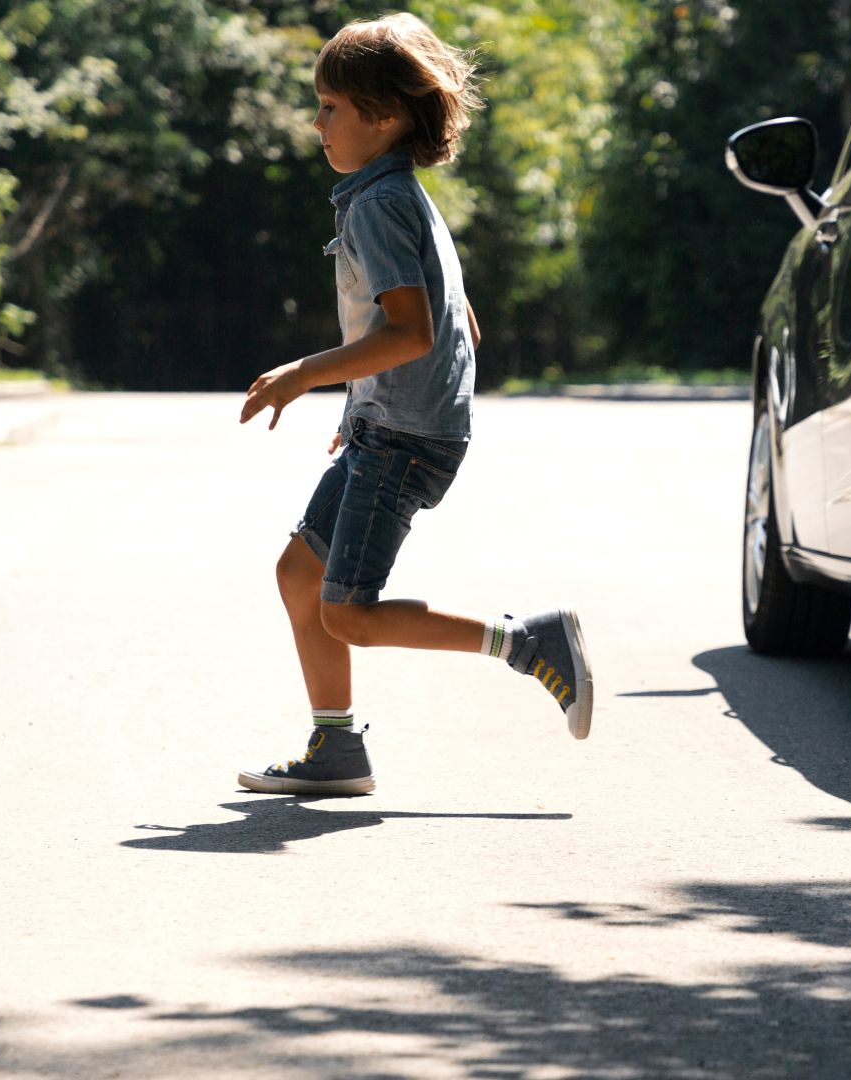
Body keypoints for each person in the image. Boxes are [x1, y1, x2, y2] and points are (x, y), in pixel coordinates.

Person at [236, 13, 593, 796]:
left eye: (330, 106)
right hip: (388, 427)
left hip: (402, 438)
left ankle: (527, 641)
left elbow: (411, 329)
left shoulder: (380, 205)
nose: (317, 121)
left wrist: (306, 373)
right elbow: (452, 318)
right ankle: (335, 748)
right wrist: (358, 405)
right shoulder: (391, 196)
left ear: (383, 116)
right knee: (301, 576)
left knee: (350, 613)